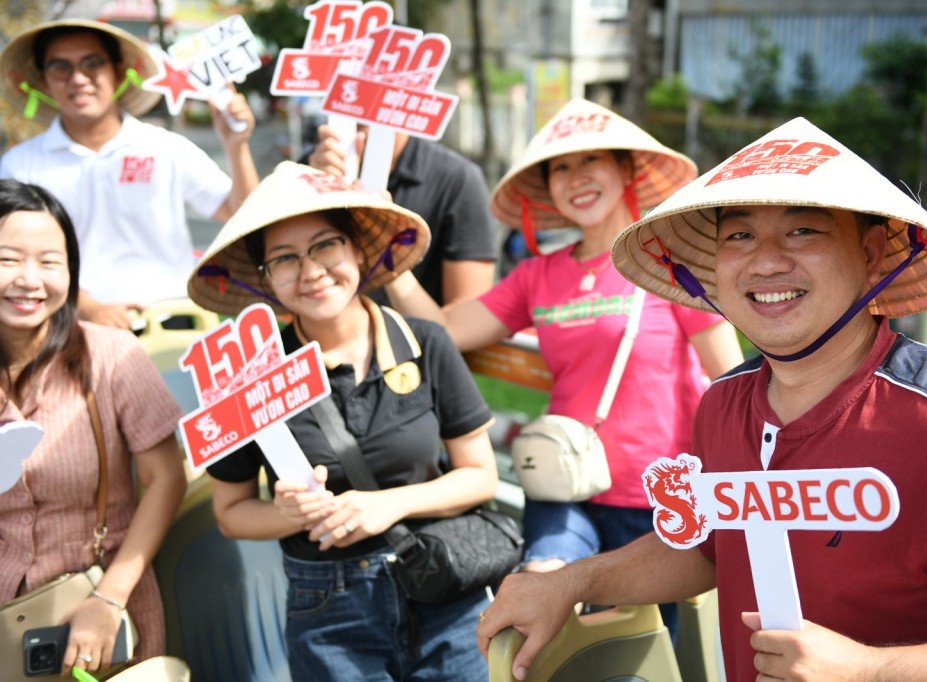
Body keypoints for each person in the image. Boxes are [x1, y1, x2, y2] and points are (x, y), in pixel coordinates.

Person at [476, 117, 927, 682]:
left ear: (873, 254)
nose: (765, 261)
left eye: (803, 231)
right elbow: (710, 547)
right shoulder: (723, 407)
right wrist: (572, 581)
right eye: (738, 235)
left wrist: (875, 670)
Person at [384, 98, 745, 637]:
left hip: (661, 498)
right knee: (538, 601)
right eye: (559, 168)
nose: (574, 177)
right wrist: (393, 254)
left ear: (625, 169)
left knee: (638, 651)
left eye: (589, 161)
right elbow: (444, 331)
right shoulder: (537, 275)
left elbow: (730, 382)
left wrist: (737, 489)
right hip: (563, 486)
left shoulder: (674, 264)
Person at [185, 161, 499, 682]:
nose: (309, 271)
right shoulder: (248, 378)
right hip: (327, 608)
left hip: (443, 585)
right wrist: (290, 514)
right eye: (283, 259)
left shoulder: (426, 343)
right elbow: (231, 512)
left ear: (358, 249)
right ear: (265, 279)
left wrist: (385, 505)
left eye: (325, 245)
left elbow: (481, 475)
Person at [0, 179, 186, 675]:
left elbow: (167, 478)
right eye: (7, 260)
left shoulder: (112, 356)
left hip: (99, 610)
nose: (29, 280)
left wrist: (109, 599)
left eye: (49, 262)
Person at [0, 18, 259, 330]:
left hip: (171, 320)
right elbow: (13, 257)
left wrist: (236, 146)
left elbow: (243, 217)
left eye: (92, 63)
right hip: (70, 326)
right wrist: (88, 307)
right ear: (42, 80)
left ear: (119, 71)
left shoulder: (166, 147)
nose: (78, 78)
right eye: (60, 67)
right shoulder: (21, 165)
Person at [308, 124, 496, 306]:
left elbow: (465, 315)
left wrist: (386, 245)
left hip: (416, 334)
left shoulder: (458, 178)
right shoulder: (308, 170)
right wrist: (311, 188)